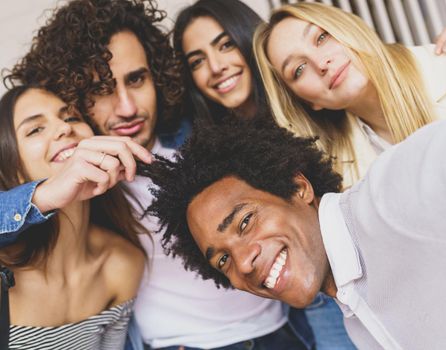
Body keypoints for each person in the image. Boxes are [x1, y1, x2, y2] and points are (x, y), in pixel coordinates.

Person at [1, 0, 313, 349]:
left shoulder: (204, 132)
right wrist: (45, 195)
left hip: (285, 333)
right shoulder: (75, 177)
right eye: (101, 90)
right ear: (72, 95)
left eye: (136, 80)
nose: (128, 107)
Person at [142, 66, 446, 349]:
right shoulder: (355, 319)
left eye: (244, 222)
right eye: (222, 261)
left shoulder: (394, 197)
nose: (242, 263)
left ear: (298, 187)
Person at [173, 2, 446, 346]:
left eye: (225, 44)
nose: (216, 67)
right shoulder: (204, 160)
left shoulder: (327, 126)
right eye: (197, 61)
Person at [253, 2, 446, 187]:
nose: (320, 63)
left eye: (322, 37)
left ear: (349, 28)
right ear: (309, 102)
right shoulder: (342, 182)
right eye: (299, 69)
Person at [0, 86, 148, 349]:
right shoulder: (4, 269)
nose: (64, 128)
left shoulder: (122, 263)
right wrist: (43, 196)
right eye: (35, 129)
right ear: (13, 170)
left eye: (71, 117)